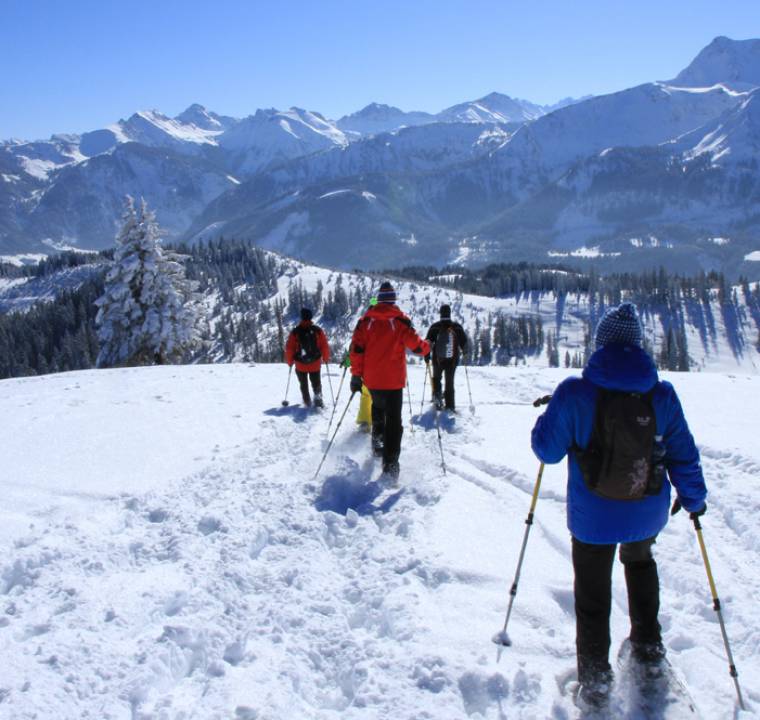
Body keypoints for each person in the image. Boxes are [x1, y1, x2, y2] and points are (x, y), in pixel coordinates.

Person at [530, 302, 707, 706]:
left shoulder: (576, 393)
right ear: (638, 347)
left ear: (601, 345)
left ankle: (595, 681)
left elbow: (547, 450)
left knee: (592, 591)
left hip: (593, 517)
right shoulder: (661, 395)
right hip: (647, 510)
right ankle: (647, 646)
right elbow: (683, 453)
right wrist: (694, 499)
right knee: (641, 563)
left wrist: (550, 418)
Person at [349, 282, 429, 478]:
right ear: (392, 300)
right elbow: (417, 346)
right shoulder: (400, 321)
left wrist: (356, 375)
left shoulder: (365, 322)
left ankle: (377, 446)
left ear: (379, 299)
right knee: (393, 422)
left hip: (372, 380)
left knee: (377, 410)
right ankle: (390, 465)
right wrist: (428, 347)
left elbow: (356, 351)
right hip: (393, 381)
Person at [284, 308, 330, 408]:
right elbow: (324, 346)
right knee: (316, 383)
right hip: (315, 364)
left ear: (301, 317)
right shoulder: (317, 330)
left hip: (300, 365)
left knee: (303, 385)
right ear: (311, 317)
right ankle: (318, 401)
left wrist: (290, 361)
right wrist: (326, 359)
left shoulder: (295, 332)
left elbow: (289, 348)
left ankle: (307, 402)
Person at [425, 304, 467, 411]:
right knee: (450, 383)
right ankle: (450, 406)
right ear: (450, 313)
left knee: (436, 379)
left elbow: (427, 343)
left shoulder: (435, 327)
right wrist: (465, 353)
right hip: (452, 361)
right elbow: (464, 343)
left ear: (440, 313)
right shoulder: (456, 327)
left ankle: (437, 403)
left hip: (437, 360)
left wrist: (426, 356)